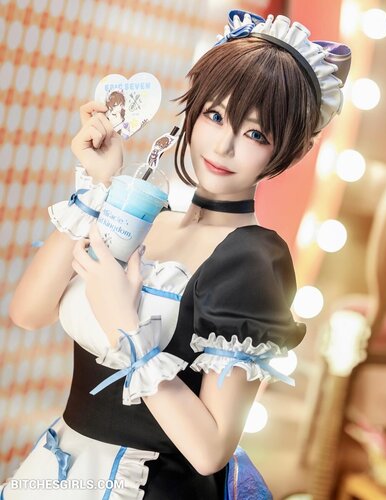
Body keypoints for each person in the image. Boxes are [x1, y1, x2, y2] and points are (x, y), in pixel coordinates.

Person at [3, 9, 351, 500]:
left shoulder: (253, 261)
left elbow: (210, 450)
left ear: (286, 150)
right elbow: (28, 312)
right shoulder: (147, 216)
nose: (224, 146)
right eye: (215, 115)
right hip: (55, 471)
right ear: (194, 107)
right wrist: (101, 187)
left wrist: (126, 326)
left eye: (256, 134)